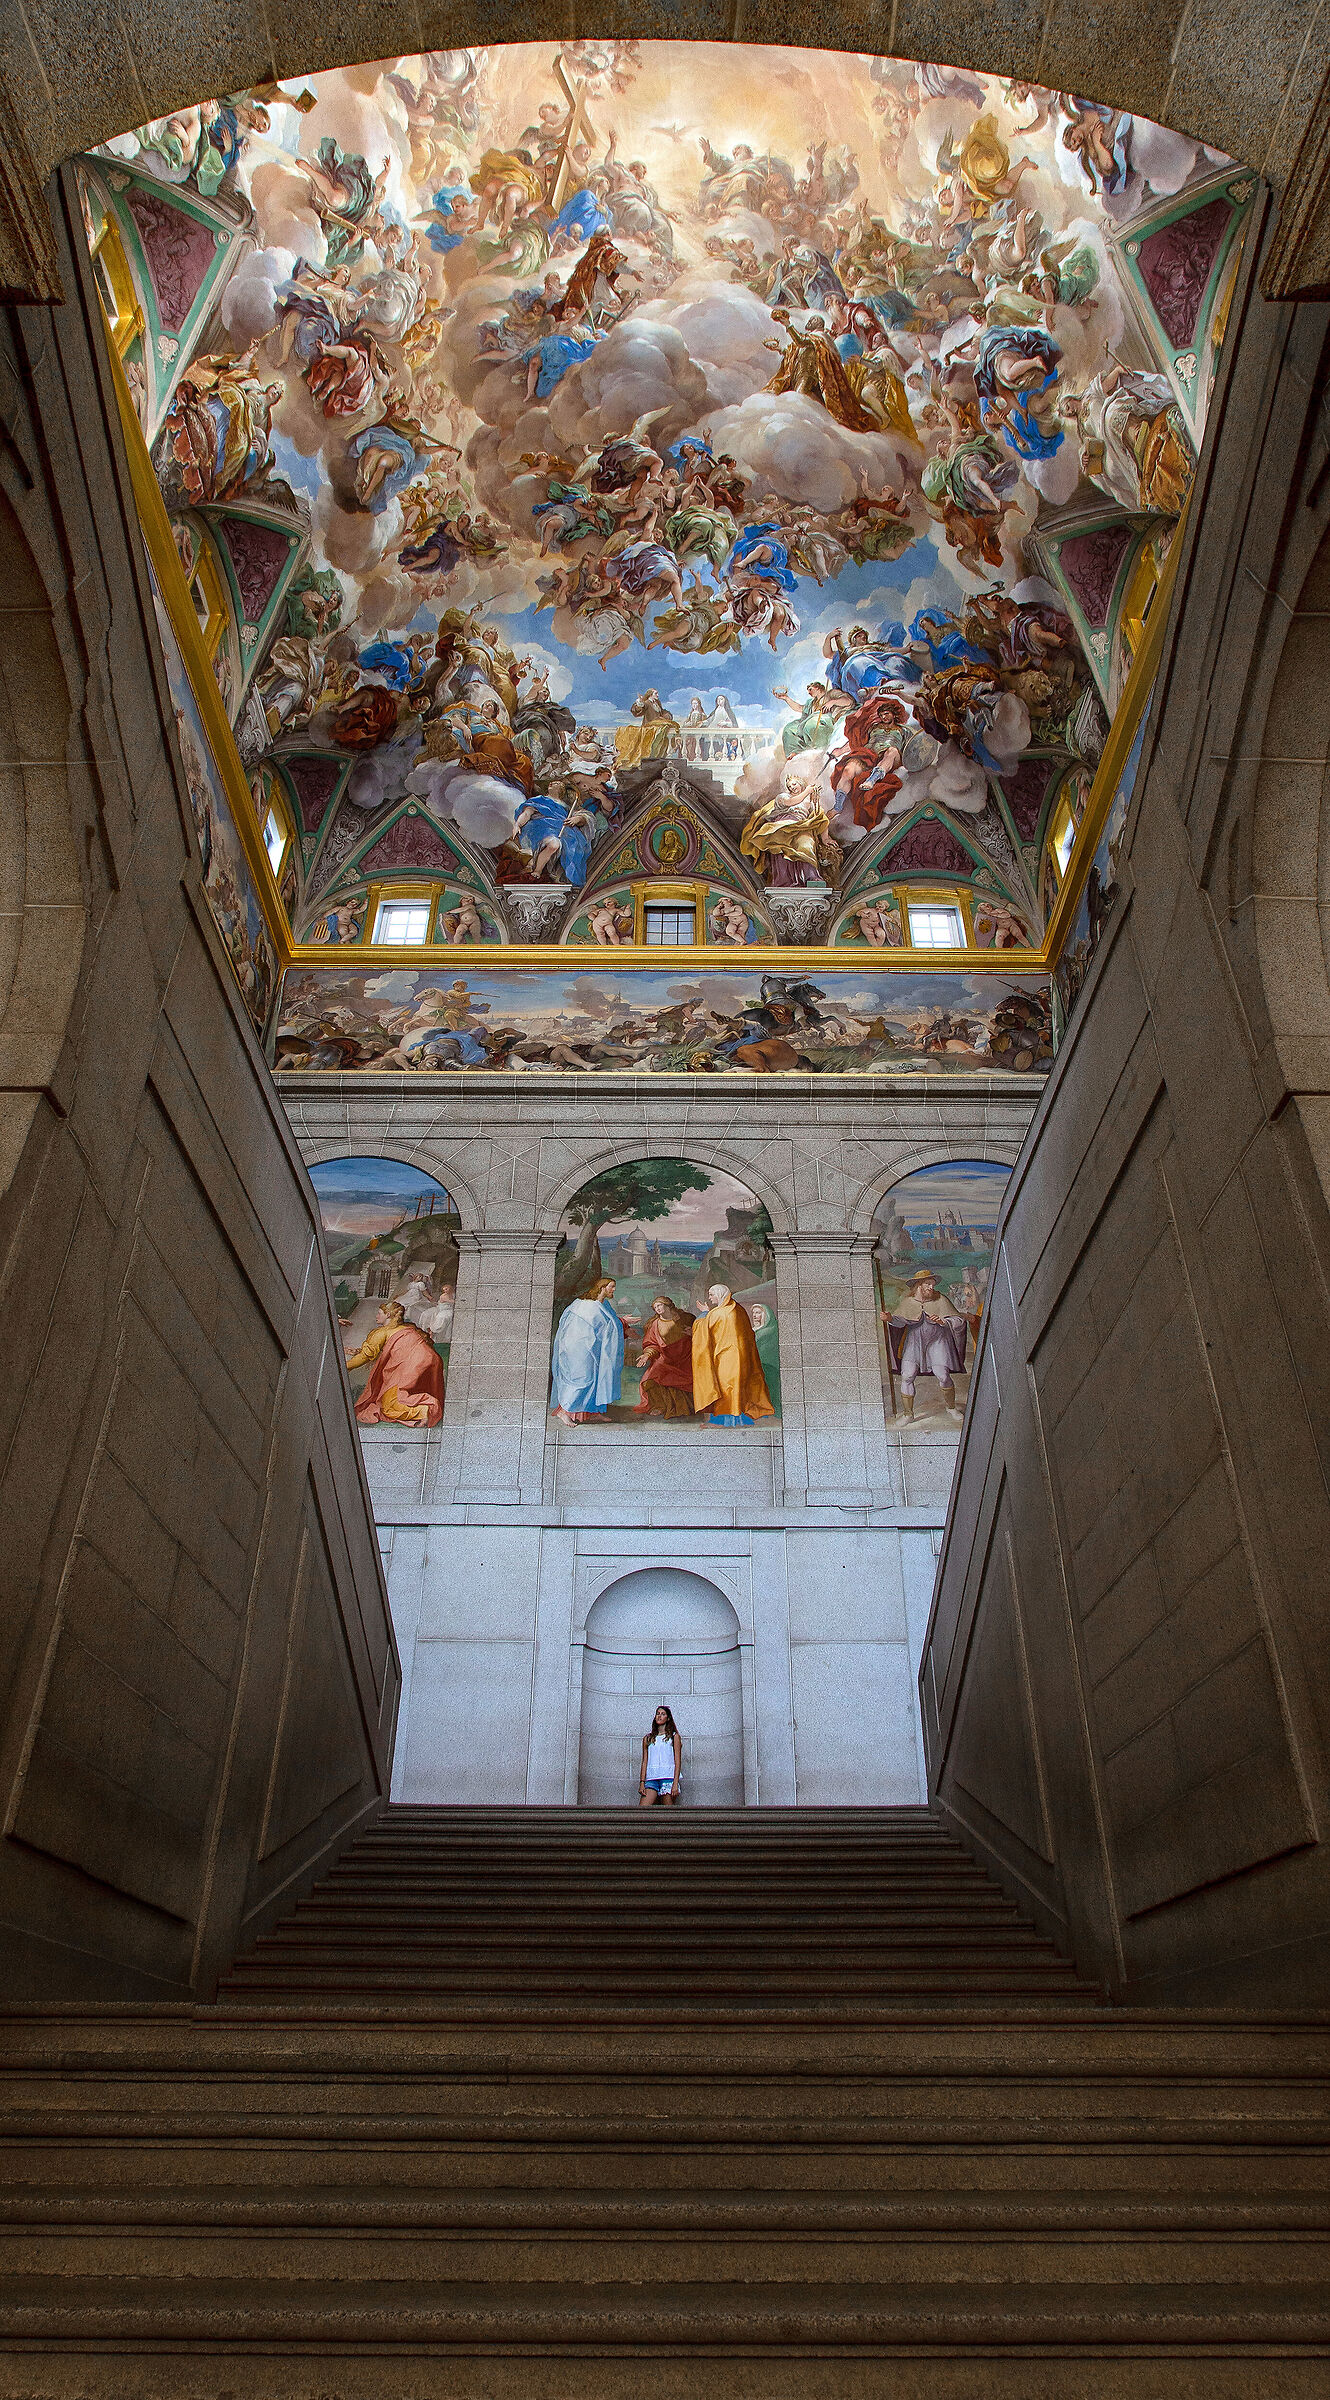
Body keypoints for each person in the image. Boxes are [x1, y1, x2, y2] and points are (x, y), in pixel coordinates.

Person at [883, 1268, 968, 1419]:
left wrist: (944, 1321)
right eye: (928, 1284)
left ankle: (951, 1408)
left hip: (938, 1342)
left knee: (943, 1375)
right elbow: (900, 1320)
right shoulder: (908, 1302)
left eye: (932, 1284)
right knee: (907, 1376)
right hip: (914, 1343)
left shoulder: (941, 1300)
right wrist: (890, 1318)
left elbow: (959, 1320)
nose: (931, 1287)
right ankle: (908, 1414)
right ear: (918, 1285)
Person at [344, 1301, 445, 1426]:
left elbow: (365, 1356)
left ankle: (423, 1409)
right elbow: (390, 1349)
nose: (376, 1316)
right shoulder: (406, 1328)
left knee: (388, 1406)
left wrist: (345, 1366)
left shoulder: (383, 1332)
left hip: (412, 1364)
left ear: (388, 1315)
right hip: (430, 1359)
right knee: (403, 1394)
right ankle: (422, 1409)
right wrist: (357, 1351)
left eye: (379, 1313)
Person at [692, 1284, 775, 1425]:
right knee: (737, 1386)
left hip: (724, 1358)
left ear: (719, 1294)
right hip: (741, 1357)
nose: (710, 1298)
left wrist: (705, 1313)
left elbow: (702, 1329)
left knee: (726, 1386)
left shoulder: (717, 1313)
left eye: (712, 1295)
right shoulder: (738, 1310)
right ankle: (738, 1415)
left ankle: (728, 1418)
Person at [550, 1276, 624, 1423]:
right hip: (579, 1348)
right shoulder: (585, 1305)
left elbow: (610, 1325)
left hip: (595, 1348)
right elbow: (573, 1328)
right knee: (583, 1379)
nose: (614, 1290)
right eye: (611, 1286)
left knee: (597, 1379)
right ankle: (564, 1411)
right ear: (602, 1287)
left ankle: (593, 1411)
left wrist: (623, 1322)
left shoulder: (604, 1305)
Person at [632, 1295, 696, 1417]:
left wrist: (693, 1333)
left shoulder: (686, 1318)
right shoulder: (654, 1324)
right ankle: (660, 1406)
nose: (657, 1308)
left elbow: (699, 1332)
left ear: (667, 1305)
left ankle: (683, 1407)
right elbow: (652, 1343)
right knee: (649, 1379)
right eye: (655, 1307)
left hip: (686, 1356)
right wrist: (647, 1354)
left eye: (659, 1305)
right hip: (665, 1357)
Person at [639, 1704, 682, 1806]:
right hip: (651, 1778)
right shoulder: (648, 1738)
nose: (659, 1716)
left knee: (668, 1813)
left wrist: (675, 1783)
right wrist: (642, 1782)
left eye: (663, 1714)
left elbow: (677, 1760)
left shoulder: (674, 1737)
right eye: (658, 1714)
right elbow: (645, 1761)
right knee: (641, 1810)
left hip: (668, 1777)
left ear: (668, 1718)